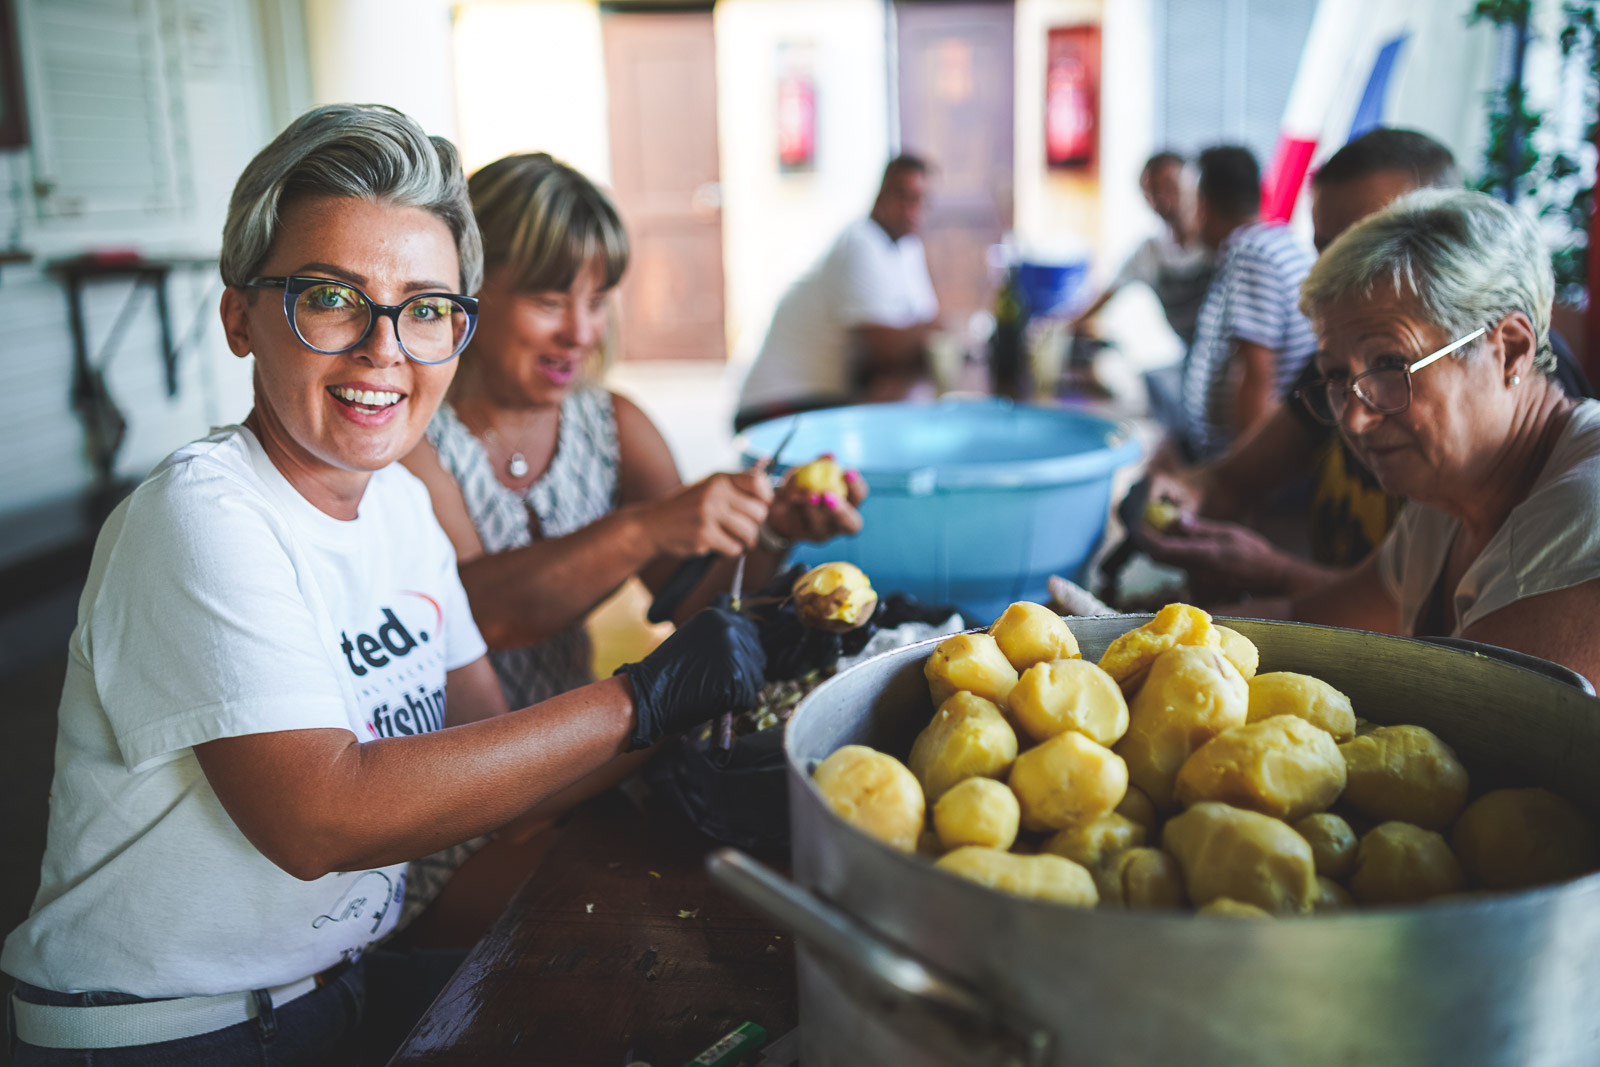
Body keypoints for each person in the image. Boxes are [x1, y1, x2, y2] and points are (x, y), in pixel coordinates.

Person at [1, 105, 763, 1066]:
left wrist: (697, 697)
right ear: (240, 318)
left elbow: (499, 775)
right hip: (168, 1026)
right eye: (332, 298)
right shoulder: (200, 515)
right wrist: (639, 698)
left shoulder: (400, 505)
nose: (384, 348)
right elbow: (319, 818)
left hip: (329, 985)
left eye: (426, 308)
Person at [397, 152, 864, 930]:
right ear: (468, 288)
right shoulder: (415, 441)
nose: (581, 331)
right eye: (550, 299)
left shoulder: (609, 424)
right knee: (654, 913)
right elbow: (481, 613)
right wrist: (644, 525)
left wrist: (774, 531)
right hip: (446, 797)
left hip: (580, 766)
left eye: (597, 298)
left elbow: (695, 601)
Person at [1134, 129, 1592, 603]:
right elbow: (1379, 607)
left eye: (1376, 242)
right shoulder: (1360, 385)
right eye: (1327, 249)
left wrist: (1271, 573)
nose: (1354, 417)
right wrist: (1183, 494)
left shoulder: (1519, 440)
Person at [1282, 188, 1600, 685]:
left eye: (1392, 364)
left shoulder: (1584, 516)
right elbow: (1306, 622)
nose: (1357, 420)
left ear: (1511, 350)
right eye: (1337, 375)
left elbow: (1463, 720)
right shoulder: (1450, 491)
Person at [734, 154, 939, 430]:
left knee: (904, 408)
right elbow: (884, 349)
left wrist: (927, 331)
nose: (912, 209)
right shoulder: (860, 241)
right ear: (880, 195)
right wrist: (930, 330)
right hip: (779, 403)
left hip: (825, 399)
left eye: (920, 200)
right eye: (902, 196)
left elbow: (927, 331)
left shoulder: (908, 249)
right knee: (889, 420)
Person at [1172, 145, 1318, 462]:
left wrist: (1239, 475)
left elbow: (1255, 374)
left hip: (1244, 458)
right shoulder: (1275, 242)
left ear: (1202, 206)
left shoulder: (1251, 254)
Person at [1070, 151, 1214, 347]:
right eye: (1152, 192)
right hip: (1191, 354)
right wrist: (1062, 326)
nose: (1163, 200)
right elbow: (1106, 295)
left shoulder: (1216, 242)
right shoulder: (1150, 252)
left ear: (1192, 185)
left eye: (1170, 187)